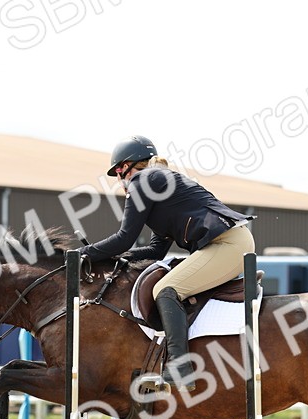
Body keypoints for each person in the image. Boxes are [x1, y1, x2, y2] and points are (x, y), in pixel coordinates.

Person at [81, 136, 255, 391]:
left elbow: (124, 238)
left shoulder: (142, 181)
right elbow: (156, 249)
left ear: (126, 167)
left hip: (227, 245)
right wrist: (116, 258)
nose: (119, 180)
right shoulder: (158, 185)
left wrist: (83, 253)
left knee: (165, 289)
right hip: (226, 243)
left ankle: (180, 366)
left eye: (117, 172)